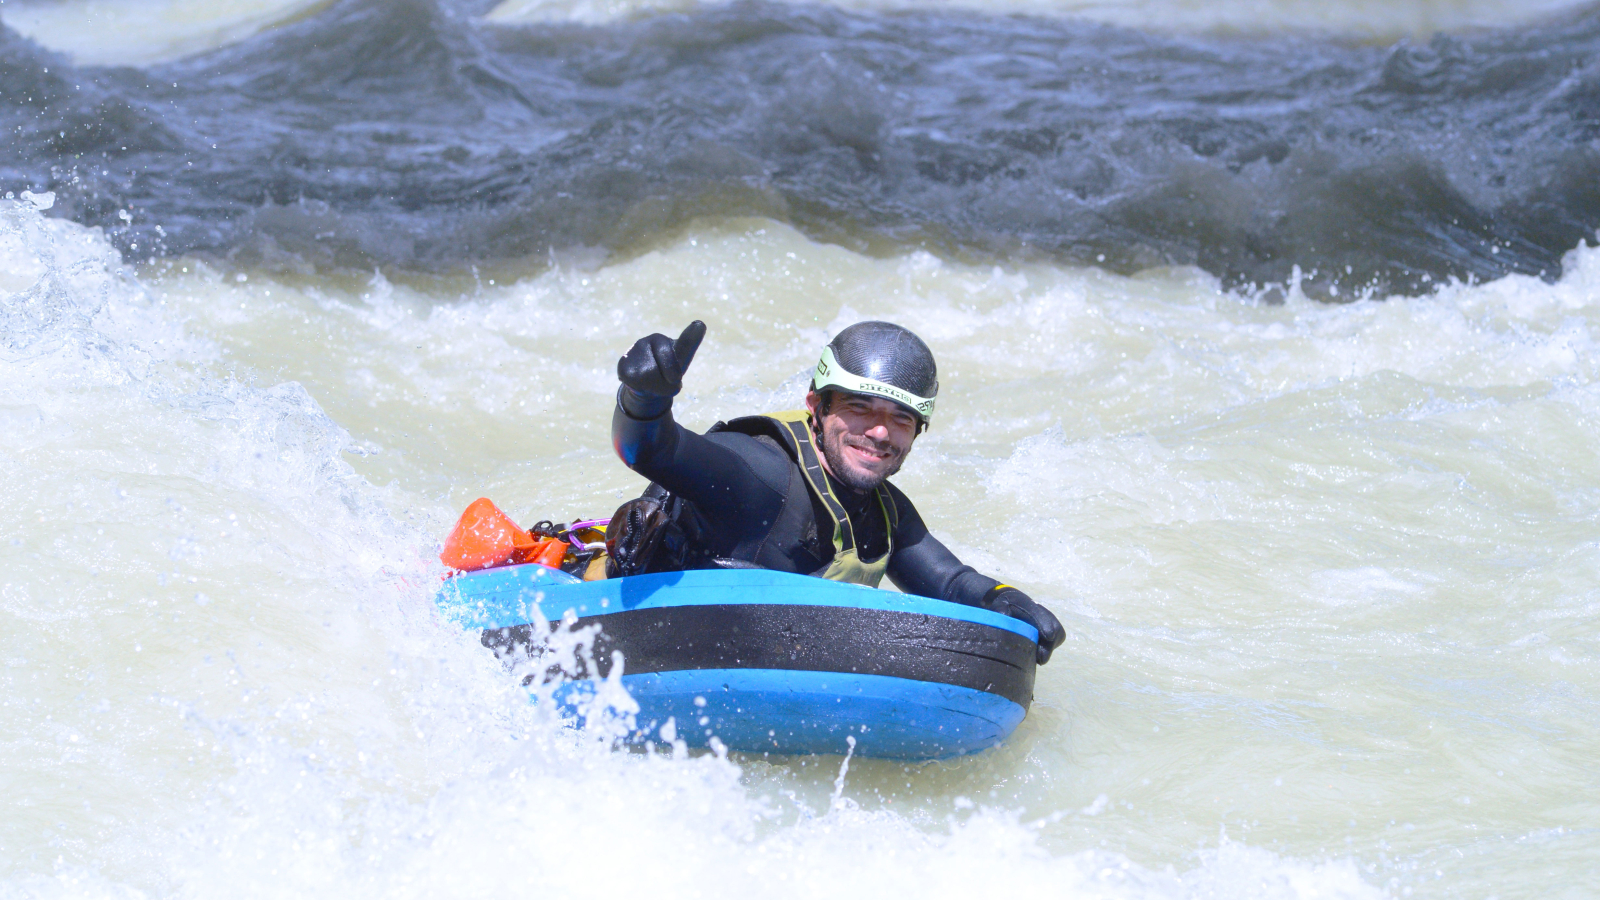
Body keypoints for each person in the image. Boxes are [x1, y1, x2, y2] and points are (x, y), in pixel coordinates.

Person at [611, 319, 1066, 664]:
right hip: (668, 649)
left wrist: (1005, 601)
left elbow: (950, 582)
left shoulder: (885, 511)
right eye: (859, 408)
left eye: (901, 419)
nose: (880, 433)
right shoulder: (759, 474)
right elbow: (651, 450)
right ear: (817, 406)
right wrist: (642, 400)